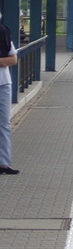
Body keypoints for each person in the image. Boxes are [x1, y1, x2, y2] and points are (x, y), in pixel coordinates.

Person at [0, 21, 19, 174]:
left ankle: (4, 164)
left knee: (3, 124)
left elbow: (12, 59)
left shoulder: (3, 34)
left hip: (3, 85)